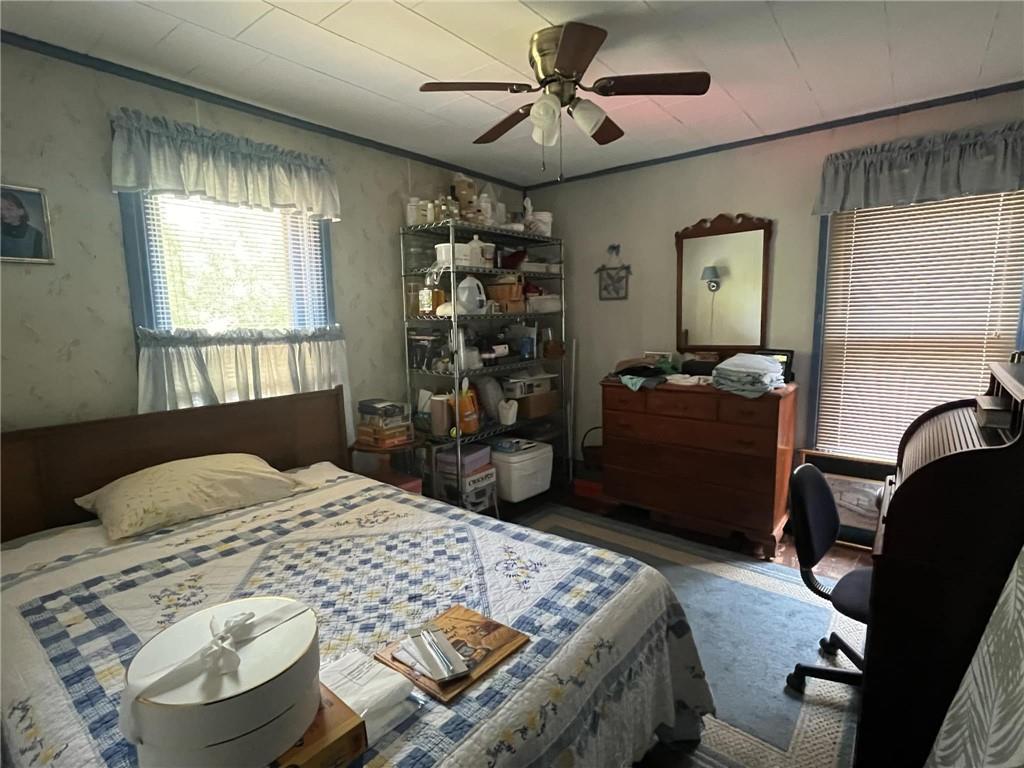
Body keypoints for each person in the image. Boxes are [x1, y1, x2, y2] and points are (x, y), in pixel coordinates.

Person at [2, 190, 46, 259]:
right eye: (0, 209)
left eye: (9, 209)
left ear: (21, 211)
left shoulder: (35, 234)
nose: (3, 213)